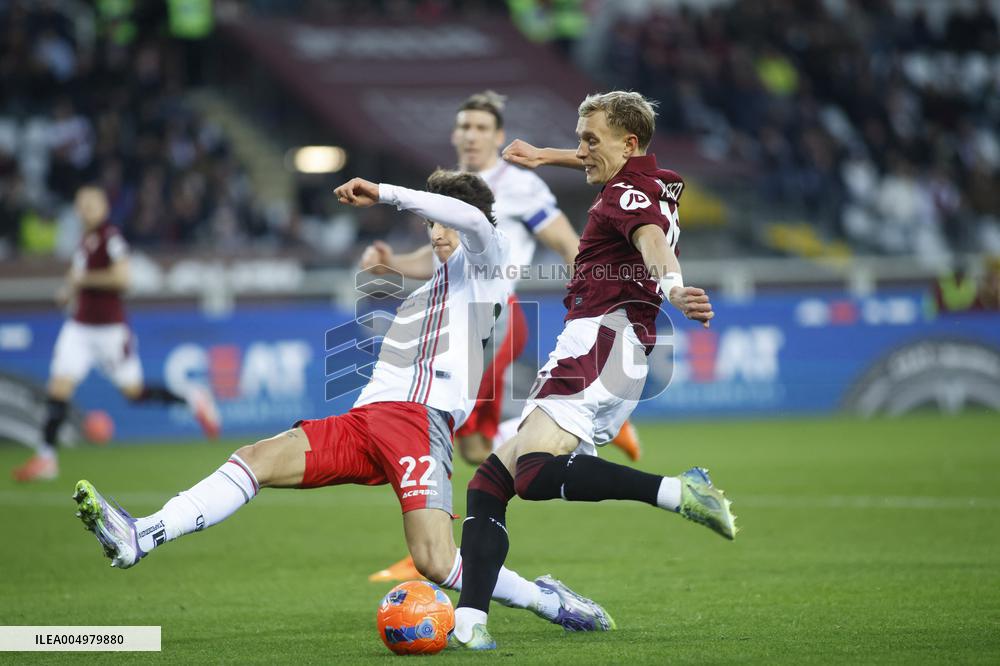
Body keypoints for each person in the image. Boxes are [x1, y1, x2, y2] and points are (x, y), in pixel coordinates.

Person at [74, 171, 615, 634]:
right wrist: (393, 259)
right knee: (257, 458)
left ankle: (550, 601)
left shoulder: (489, 261)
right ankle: (141, 535)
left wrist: (384, 192)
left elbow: (469, 220)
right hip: (367, 420)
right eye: (433, 225)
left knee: (434, 561)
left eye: (446, 221)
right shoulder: (437, 284)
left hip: (418, 422)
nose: (439, 232)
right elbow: (432, 252)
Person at [448, 91, 737, 651]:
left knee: (531, 474)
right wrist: (548, 156)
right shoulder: (659, 178)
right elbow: (620, 173)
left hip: (602, 340)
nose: (581, 150)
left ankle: (680, 492)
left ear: (628, 144)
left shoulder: (625, 195)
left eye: (589, 141)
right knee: (488, 485)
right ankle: (469, 624)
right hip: (609, 343)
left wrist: (675, 286)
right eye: (578, 139)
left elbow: (650, 241)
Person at [363, 91, 643, 584]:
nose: (470, 135)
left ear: (497, 135)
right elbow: (436, 262)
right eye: (463, 127)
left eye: (479, 127)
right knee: (471, 447)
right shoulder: (453, 190)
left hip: (493, 320)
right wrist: (391, 263)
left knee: (436, 425)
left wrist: (593, 296)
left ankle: (431, 546)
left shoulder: (522, 187)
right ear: (454, 135)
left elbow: (566, 242)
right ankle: (577, 426)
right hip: (454, 325)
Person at [13, 185, 219, 482]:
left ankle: (193, 396)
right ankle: (47, 458)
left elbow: (123, 278)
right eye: (82, 204)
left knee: (133, 392)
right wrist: (69, 292)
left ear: (104, 207)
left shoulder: (112, 237)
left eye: (92, 203)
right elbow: (79, 277)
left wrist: (82, 279)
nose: (87, 209)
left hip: (110, 331)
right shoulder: (85, 239)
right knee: (58, 386)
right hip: (80, 328)